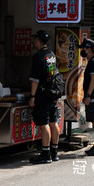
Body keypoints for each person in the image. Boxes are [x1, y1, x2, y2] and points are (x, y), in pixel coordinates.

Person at [28, 30, 61, 164]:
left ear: (37, 41)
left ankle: (45, 153)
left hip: (42, 95)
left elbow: (35, 79)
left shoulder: (38, 57)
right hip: (53, 94)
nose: (34, 42)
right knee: (54, 123)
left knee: (44, 124)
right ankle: (54, 152)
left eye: (35, 40)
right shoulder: (51, 55)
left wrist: (32, 96)